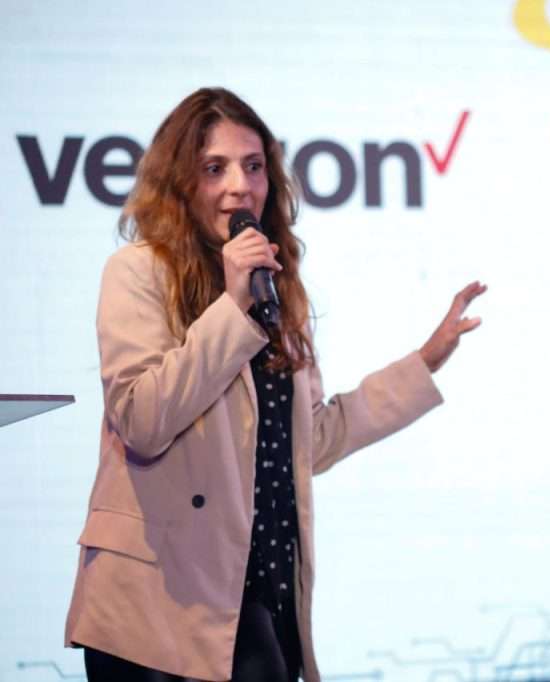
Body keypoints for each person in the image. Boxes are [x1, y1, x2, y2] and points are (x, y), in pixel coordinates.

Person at [63, 87, 486, 682]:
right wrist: (232, 307)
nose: (241, 186)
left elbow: (309, 442)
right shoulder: (138, 271)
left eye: (254, 166)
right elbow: (142, 421)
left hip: (258, 581)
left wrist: (425, 362)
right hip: (156, 598)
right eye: (215, 168)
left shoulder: (276, 286)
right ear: (180, 181)